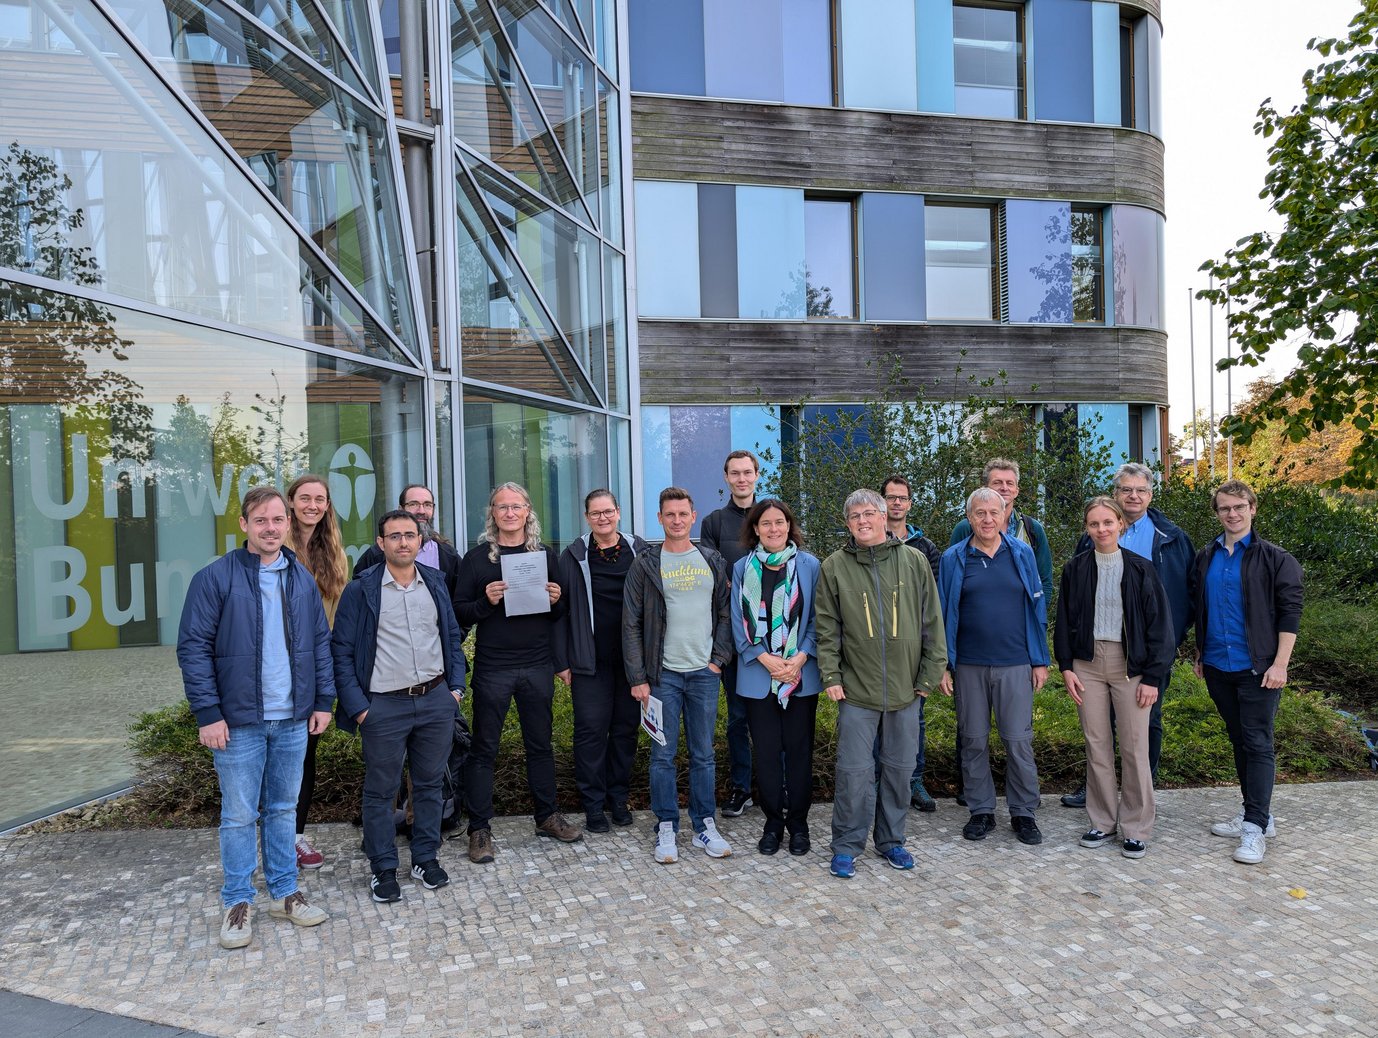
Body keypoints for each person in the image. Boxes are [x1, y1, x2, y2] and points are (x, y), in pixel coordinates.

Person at [176, 486, 333, 950]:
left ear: (288, 524)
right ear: (244, 524)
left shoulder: (300, 578)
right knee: (240, 815)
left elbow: (320, 644)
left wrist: (323, 701)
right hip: (238, 721)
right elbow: (194, 648)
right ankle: (238, 901)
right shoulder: (215, 578)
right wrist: (208, 713)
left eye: (278, 520)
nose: (270, 528)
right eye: (260, 520)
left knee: (284, 809)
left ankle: (284, 892)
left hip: (292, 718)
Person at [332, 509, 467, 902]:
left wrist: (455, 689)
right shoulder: (361, 590)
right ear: (381, 543)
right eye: (395, 536)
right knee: (381, 791)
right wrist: (359, 707)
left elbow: (452, 637)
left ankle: (425, 857)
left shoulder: (436, 583)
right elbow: (341, 651)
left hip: (435, 702)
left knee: (428, 786)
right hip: (383, 708)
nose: (403, 542)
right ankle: (383, 868)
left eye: (410, 535)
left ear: (421, 542)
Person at [815, 489, 946, 879]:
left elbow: (932, 624)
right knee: (854, 771)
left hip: (907, 689)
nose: (863, 521)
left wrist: (929, 675)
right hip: (856, 690)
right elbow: (826, 627)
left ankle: (892, 841)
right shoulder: (834, 567)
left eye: (869, 513)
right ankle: (846, 845)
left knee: (900, 768)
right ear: (847, 524)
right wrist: (831, 675)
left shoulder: (914, 561)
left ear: (884, 515)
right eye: (854, 516)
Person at [456, 483, 580, 864]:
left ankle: (547, 816)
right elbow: (459, 611)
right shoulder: (476, 559)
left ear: (528, 511)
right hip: (494, 667)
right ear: (492, 513)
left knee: (540, 746)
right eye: (502, 507)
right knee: (484, 750)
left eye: (516, 506)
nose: (510, 513)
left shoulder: (545, 555)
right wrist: (485, 601)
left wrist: (558, 600)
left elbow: (561, 613)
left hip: (537, 664)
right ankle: (479, 829)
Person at [1061, 463, 1194, 807]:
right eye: (1126, 490)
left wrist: (1166, 649)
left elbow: (1185, 595)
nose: (1133, 496)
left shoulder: (1171, 537)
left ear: (1150, 495)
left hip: (1147, 651)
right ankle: (1097, 794)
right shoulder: (1090, 540)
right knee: (1098, 730)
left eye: (1141, 490)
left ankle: (1140, 795)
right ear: (1116, 496)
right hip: (1095, 652)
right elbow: (1074, 602)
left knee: (1144, 726)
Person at [1055, 497, 1175, 859]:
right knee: (1097, 745)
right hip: (1087, 664)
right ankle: (1102, 821)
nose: (1101, 529)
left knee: (1135, 748)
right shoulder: (1075, 569)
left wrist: (1153, 676)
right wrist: (1066, 666)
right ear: (1087, 528)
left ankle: (1136, 827)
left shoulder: (1141, 568)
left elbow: (1161, 626)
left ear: (1121, 524)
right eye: (1094, 524)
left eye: (1108, 522)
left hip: (1131, 667)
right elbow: (1063, 621)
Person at [1191, 479, 1303, 865]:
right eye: (1225, 508)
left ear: (1253, 508)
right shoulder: (1207, 556)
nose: (1232, 514)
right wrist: (1201, 652)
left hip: (1259, 669)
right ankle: (1257, 813)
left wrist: (1280, 664)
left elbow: (1290, 614)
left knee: (1258, 743)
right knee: (1239, 740)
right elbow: (1202, 607)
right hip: (1218, 666)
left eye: (1239, 506)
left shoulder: (1276, 559)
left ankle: (1255, 829)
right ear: (1217, 512)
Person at [624, 487, 735, 863]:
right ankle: (666, 825)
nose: (676, 520)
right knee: (662, 755)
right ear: (660, 518)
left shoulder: (712, 559)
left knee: (703, 754)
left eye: (682, 514)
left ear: (692, 515)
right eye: (669, 514)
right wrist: (638, 676)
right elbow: (631, 624)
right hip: (662, 676)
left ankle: (704, 825)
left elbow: (726, 613)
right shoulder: (645, 564)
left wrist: (718, 659)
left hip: (704, 673)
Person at [939, 487, 1050, 847]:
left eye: (994, 512)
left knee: (1018, 740)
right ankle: (981, 810)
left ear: (1005, 515)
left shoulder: (1022, 553)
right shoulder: (954, 558)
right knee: (972, 740)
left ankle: (1023, 812)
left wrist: (1039, 659)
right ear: (969, 518)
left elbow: (1036, 608)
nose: (987, 519)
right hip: (968, 664)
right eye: (979, 513)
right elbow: (942, 613)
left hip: (1015, 662)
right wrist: (943, 664)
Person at [729, 499, 822, 856]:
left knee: (799, 752)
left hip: (801, 675)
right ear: (755, 528)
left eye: (779, 522)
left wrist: (798, 659)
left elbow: (818, 618)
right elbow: (738, 621)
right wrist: (768, 660)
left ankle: (798, 824)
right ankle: (773, 823)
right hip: (758, 676)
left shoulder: (811, 566)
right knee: (766, 754)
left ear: (789, 525)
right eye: (765, 523)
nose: (773, 529)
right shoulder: (741, 568)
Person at [554, 490, 648, 832]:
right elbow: (559, 612)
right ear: (587, 517)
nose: (603, 518)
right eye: (596, 514)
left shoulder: (641, 550)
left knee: (625, 731)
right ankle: (593, 805)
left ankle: (617, 798)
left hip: (632, 663)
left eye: (608, 512)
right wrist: (561, 661)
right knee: (590, 733)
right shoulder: (574, 555)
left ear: (619, 513)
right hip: (588, 661)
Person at [283, 473, 350, 870]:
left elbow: (336, 619)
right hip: (277, 667)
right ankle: (271, 836)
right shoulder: (276, 547)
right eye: (304, 498)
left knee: (306, 758)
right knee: (273, 760)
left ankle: (294, 838)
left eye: (319, 499)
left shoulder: (334, 553)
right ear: (291, 503)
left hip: (314, 670)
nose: (312, 505)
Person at [698, 449, 761, 817]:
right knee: (737, 718)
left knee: (771, 715)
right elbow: (712, 576)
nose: (741, 479)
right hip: (730, 637)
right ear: (726, 478)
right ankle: (742, 788)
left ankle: (774, 786)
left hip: (771, 638)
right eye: (734, 473)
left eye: (747, 473)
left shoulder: (770, 516)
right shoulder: (714, 522)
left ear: (756, 475)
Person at [880, 474, 942, 812]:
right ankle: (879, 778)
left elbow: (932, 601)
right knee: (876, 715)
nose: (897, 503)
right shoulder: (868, 541)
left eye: (902, 498)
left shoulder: (925, 548)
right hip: (875, 644)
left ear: (910, 503)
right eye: (890, 497)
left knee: (914, 716)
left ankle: (913, 779)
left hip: (913, 645)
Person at [948, 458, 1054, 601]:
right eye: (997, 482)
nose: (1004, 488)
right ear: (985, 488)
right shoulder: (966, 528)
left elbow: (1045, 581)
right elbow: (951, 579)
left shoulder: (1033, 529)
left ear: (1016, 491)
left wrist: (1037, 618)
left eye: (1009, 483)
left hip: (1020, 618)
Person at [353, 484, 462, 600]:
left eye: (427, 505)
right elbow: (358, 601)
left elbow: (458, 605)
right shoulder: (375, 555)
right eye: (413, 504)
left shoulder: (449, 557)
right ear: (400, 509)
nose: (421, 511)